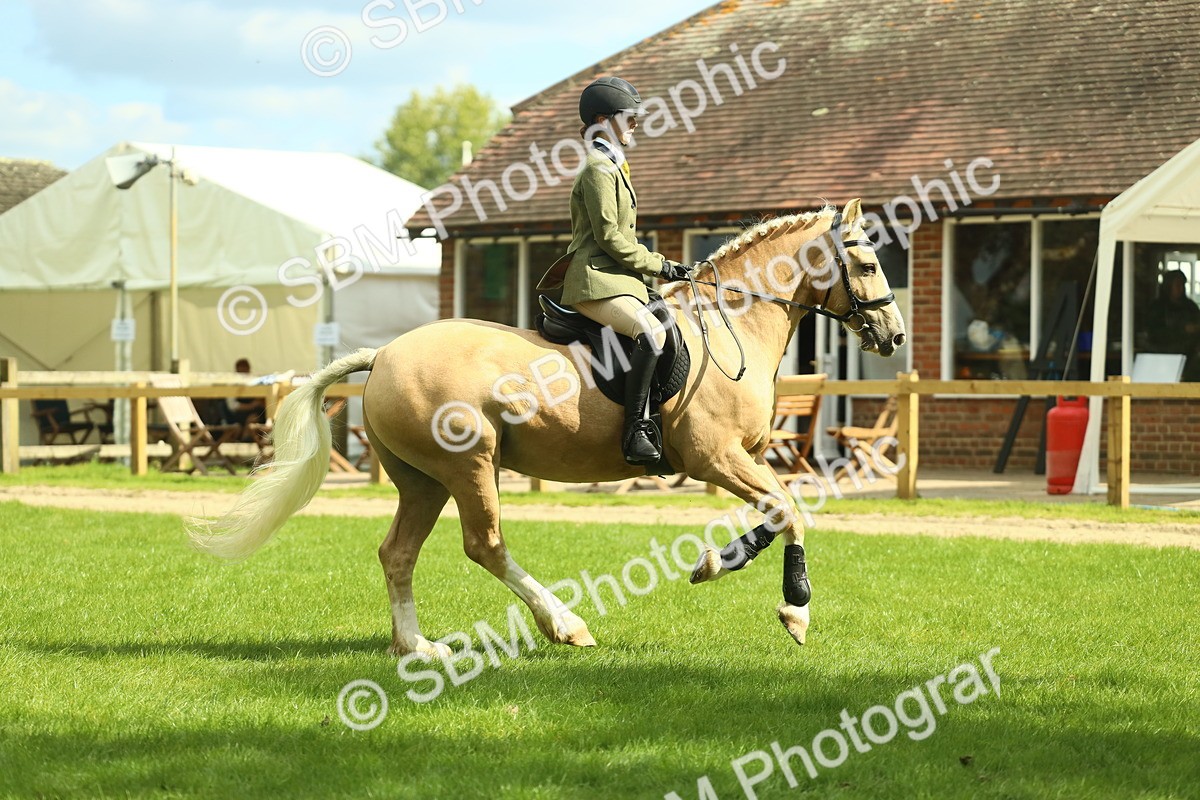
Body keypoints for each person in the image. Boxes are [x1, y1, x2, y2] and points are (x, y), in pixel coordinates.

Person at [538, 77, 693, 465]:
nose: (636, 125)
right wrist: (663, 265)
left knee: (670, 322)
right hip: (594, 282)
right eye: (631, 118)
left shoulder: (613, 165)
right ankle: (636, 429)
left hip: (619, 281)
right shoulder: (597, 170)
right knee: (651, 332)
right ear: (604, 120)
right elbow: (610, 237)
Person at [1147, 270, 1200, 380]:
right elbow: (1154, 334)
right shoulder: (1157, 308)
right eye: (1177, 285)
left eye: (1182, 285)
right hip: (1162, 357)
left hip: (1189, 358)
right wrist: (1182, 330)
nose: (1180, 288)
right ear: (1168, 286)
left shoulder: (1191, 307)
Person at [227, 357, 267, 439]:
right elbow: (232, 406)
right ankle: (246, 436)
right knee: (252, 417)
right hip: (238, 415)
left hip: (256, 412)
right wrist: (251, 405)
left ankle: (249, 436)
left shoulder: (255, 382)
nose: (243, 375)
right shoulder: (232, 385)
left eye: (245, 371)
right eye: (241, 372)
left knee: (257, 415)